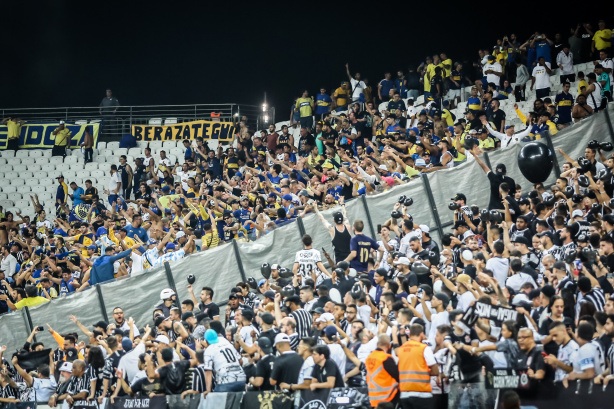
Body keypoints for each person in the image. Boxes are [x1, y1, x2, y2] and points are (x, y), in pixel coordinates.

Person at [396, 324, 439, 409]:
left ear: (409, 335)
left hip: (404, 394)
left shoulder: (401, 349)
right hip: (422, 393)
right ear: (422, 334)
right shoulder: (424, 348)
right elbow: (435, 370)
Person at [365, 334, 399, 408]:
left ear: (377, 344)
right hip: (387, 397)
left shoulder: (369, 357)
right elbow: (397, 376)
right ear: (389, 346)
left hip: (373, 398)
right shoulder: (386, 358)